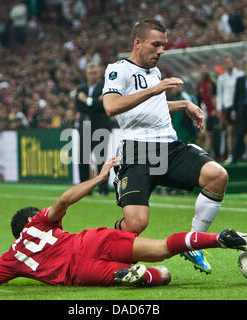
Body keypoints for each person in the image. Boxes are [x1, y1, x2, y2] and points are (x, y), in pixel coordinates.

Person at [0, 158, 247, 287]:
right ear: (30, 220)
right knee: (164, 248)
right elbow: (62, 201)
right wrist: (99, 178)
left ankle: (137, 275)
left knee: (162, 275)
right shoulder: (39, 223)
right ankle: (220, 238)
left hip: (81, 271)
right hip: (92, 239)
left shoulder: (11, 258)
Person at [102, 19, 229, 274]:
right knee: (136, 224)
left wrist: (183, 105)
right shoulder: (118, 70)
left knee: (217, 176)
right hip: (136, 151)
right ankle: (104, 246)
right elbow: (112, 106)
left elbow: (153, 106)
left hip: (169, 148)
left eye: (164, 45)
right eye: (156, 44)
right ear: (137, 43)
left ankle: (193, 243)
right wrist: (156, 89)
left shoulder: (155, 72)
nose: (161, 51)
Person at [75, 62, 112, 195]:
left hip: (100, 127)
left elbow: (103, 105)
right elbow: (78, 106)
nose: (92, 75)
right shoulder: (81, 87)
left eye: (95, 73)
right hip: (85, 128)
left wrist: (87, 101)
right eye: (90, 73)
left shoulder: (105, 87)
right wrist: (94, 102)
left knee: (101, 158)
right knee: (83, 159)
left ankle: (103, 189)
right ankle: (84, 189)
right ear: (86, 74)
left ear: (99, 73)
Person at [216, 56, 244, 163]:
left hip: (239, 106)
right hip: (228, 106)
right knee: (230, 130)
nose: (227, 64)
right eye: (225, 62)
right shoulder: (221, 78)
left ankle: (244, 153)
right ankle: (231, 154)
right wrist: (219, 108)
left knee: (242, 131)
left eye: (229, 62)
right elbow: (219, 94)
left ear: (233, 63)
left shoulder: (240, 75)